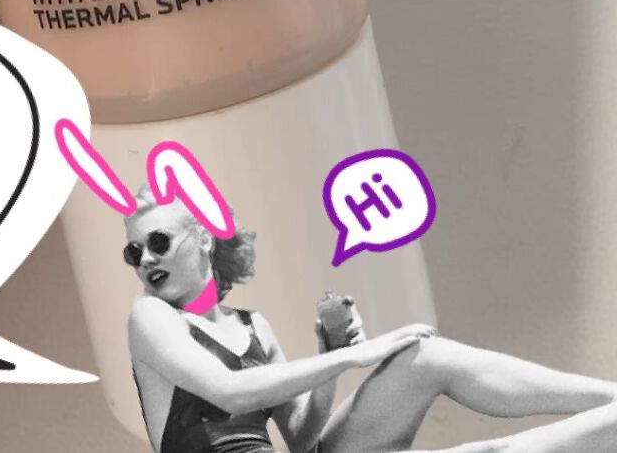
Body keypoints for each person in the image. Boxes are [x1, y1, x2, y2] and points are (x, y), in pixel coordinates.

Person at [124, 193, 617, 453]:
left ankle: (610, 397)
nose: (145, 259)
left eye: (158, 242)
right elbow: (230, 392)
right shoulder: (150, 317)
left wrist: (330, 356)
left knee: (423, 356)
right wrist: (353, 356)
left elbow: (303, 439)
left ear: (204, 238)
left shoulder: (254, 327)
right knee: (494, 451)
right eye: (134, 251)